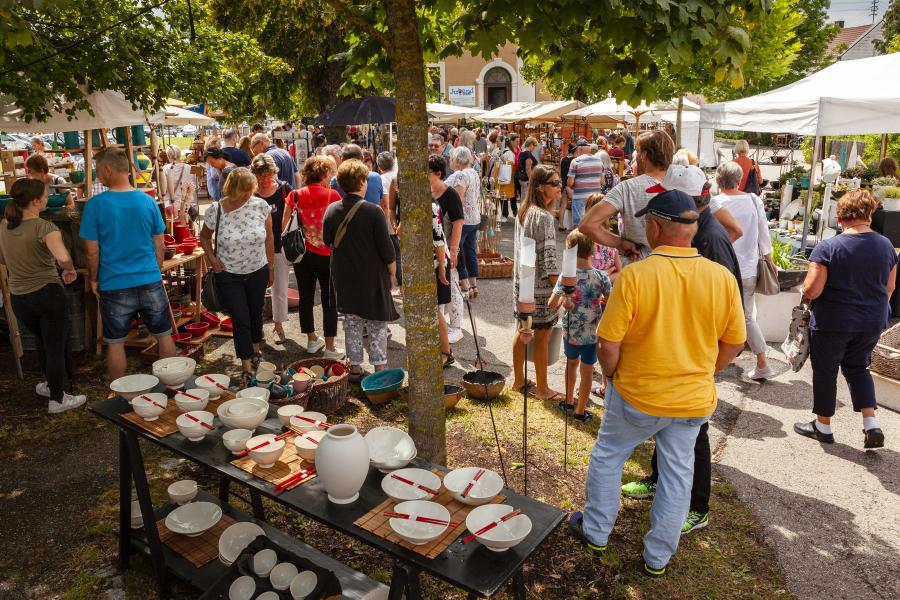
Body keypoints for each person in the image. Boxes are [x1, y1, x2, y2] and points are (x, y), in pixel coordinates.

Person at [568, 189, 746, 577]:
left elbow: (607, 342)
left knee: (609, 456)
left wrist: (612, 375)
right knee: (678, 473)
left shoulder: (635, 276)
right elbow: (735, 342)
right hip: (692, 399)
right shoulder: (721, 278)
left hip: (637, 393)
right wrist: (704, 369)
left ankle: (596, 532)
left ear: (655, 226)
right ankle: (658, 557)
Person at [621, 164, 743, 536]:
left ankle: (698, 506)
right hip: (679, 363)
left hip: (693, 367)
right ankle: (658, 480)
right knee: (670, 428)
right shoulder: (697, 229)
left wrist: (708, 368)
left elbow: (729, 325)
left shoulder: (708, 240)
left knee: (696, 436)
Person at [794, 190, 897, 448]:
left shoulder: (829, 247)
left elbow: (813, 290)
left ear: (841, 216)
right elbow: (890, 288)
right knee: (858, 367)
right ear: (869, 214)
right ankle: (871, 424)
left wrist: (803, 291)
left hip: (833, 321)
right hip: (871, 321)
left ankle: (823, 426)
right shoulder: (885, 245)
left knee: (826, 371)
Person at [80, 148, 175, 380]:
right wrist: (157, 269)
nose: (98, 175)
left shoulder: (95, 205)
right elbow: (159, 242)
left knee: (115, 343)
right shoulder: (147, 201)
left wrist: (93, 278)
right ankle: (172, 384)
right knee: (164, 335)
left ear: (108, 169)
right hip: (149, 278)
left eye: (98, 170)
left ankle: (119, 394)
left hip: (114, 283)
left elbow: (91, 251)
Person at [579, 130, 743, 262]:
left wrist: (620, 243)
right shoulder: (690, 183)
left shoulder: (627, 188)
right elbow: (735, 229)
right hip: (680, 274)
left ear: (643, 156)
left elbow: (587, 224)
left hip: (638, 273)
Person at [0, 179, 85, 413]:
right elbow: (63, 258)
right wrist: (69, 270)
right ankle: (57, 399)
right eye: (46, 196)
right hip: (46, 293)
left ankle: (51, 385)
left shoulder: (4, 225)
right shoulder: (45, 228)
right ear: (36, 202)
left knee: (42, 342)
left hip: (19, 297)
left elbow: (3, 259)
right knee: (55, 345)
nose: (48, 199)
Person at [323, 159, 397, 381]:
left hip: (345, 274)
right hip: (372, 275)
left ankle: (354, 367)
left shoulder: (331, 210)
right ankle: (379, 369)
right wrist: (392, 272)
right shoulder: (373, 211)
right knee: (376, 322)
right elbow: (387, 249)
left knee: (352, 322)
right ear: (362, 182)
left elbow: (328, 241)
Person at [199, 168, 274, 387]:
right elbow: (204, 237)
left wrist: (270, 268)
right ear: (232, 188)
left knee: (255, 313)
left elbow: (269, 238)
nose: (247, 195)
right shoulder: (216, 210)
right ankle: (246, 365)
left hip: (257, 270)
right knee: (240, 318)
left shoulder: (260, 206)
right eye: (244, 191)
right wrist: (212, 258)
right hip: (229, 274)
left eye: (250, 191)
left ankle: (256, 350)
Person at [714, 161, 777, 380]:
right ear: (739, 179)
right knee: (747, 316)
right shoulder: (753, 200)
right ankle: (759, 361)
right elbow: (763, 232)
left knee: (716, 314)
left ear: (718, 180)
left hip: (721, 269)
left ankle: (723, 359)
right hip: (748, 268)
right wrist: (769, 258)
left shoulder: (715, 203)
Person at [284, 156, 344, 359]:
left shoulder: (295, 196)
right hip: (328, 255)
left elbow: (285, 226)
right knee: (329, 301)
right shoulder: (333, 195)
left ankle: (311, 340)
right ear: (325, 174)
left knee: (306, 298)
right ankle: (330, 347)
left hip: (303, 256)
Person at [512, 164, 563, 400]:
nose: (559, 187)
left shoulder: (525, 210)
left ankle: (519, 381)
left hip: (524, 283)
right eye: (554, 183)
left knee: (523, 329)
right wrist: (561, 288)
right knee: (542, 335)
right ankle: (542, 388)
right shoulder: (543, 217)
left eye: (559, 182)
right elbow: (549, 260)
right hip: (540, 288)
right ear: (541, 187)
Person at [548, 230, 611, 422]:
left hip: (571, 331)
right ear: (592, 250)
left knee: (571, 365)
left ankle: (568, 401)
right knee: (587, 371)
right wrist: (599, 300)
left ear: (569, 252)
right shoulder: (601, 277)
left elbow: (552, 304)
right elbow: (611, 302)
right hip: (592, 333)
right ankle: (580, 410)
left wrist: (564, 303)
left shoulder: (567, 276)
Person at [250, 154, 292, 344]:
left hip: (279, 246)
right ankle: (256, 326)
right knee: (256, 288)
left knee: (280, 287)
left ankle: (278, 325)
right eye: (261, 177)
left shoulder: (284, 189)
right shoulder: (250, 192)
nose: (265, 180)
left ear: (275, 173)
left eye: (269, 175)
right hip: (255, 248)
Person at [430, 155, 466, 344]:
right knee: (440, 289)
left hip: (449, 247)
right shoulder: (426, 192)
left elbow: (458, 222)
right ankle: (442, 327)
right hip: (434, 250)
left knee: (452, 287)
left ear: (438, 173)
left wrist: (454, 250)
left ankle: (456, 327)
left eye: (427, 172)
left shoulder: (449, 193)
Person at [446, 146, 482, 298]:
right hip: (474, 218)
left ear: (457, 159)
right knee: (470, 251)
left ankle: (465, 285)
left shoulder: (460, 175)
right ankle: (474, 285)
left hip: (464, 219)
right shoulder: (473, 172)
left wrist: (455, 218)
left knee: (459, 252)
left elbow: (458, 199)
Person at [376, 152, 401, 291]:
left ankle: (399, 284)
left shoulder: (382, 179)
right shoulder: (397, 175)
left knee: (394, 254)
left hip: (390, 221)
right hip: (400, 219)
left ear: (379, 166)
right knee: (398, 253)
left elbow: (386, 203)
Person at [567, 140, 607, 227]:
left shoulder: (575, 161)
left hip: (579, 196)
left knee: (578, 224)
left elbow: (570, 183)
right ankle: (590, 240)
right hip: (595, 197)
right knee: (593, 223)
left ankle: (578, 240)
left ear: (580, 150)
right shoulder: (599, 161)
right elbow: (602, 182)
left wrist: (576, 185)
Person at [162, 145, 196, 224]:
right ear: (179, 154)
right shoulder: (189, 167)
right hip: (186, 204)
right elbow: (193, 187)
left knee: (173, 228)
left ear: (168, 156)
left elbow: (163, 190)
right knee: (185, 227)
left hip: (170, 205)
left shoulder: (165, 168)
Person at [517, 137, 540, 203]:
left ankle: (522, 212)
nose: (535, 148)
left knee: (523, 197)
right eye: (534, 146)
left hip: (521, 178)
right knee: (527, 198)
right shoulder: (528, 154)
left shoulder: (522, 152)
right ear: (531, 144)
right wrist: (531, 180)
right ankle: (524, 212)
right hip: (526, 179)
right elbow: (528, 168)